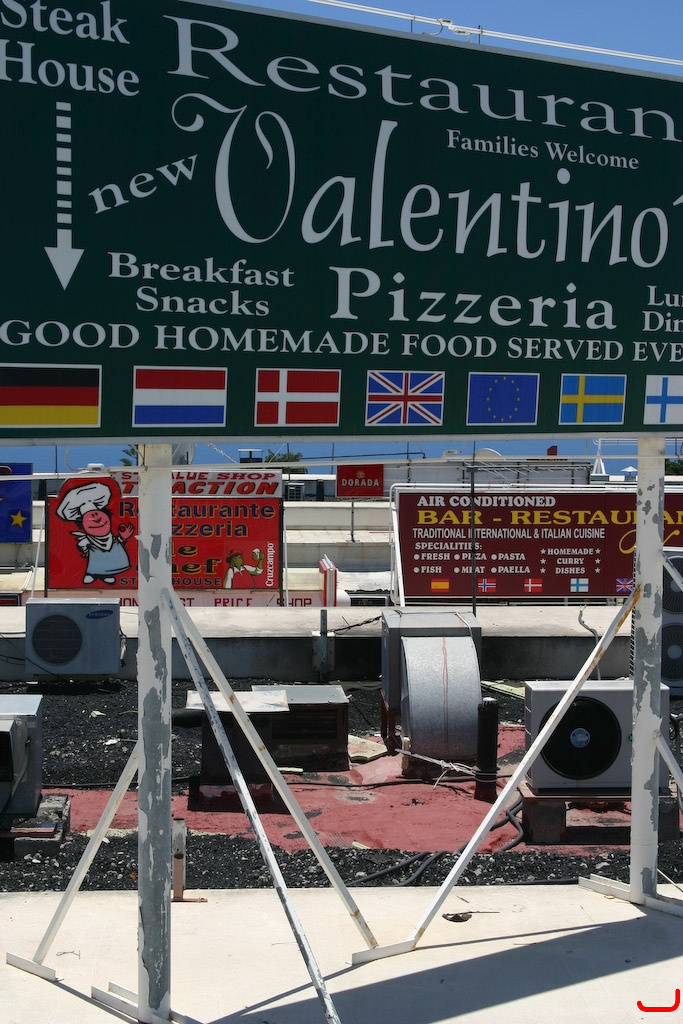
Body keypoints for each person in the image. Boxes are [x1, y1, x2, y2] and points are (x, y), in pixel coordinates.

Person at [56, 481, 134, 585]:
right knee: (94, 565)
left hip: (112, 560)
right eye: (90, 517)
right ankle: (91, 574)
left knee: (109, 566)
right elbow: (81, 545)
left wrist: (123, 537)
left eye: (97, 514)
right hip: (94, 561)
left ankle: (108, 574)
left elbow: (117, 542)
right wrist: (84, 548)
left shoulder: (110, 537)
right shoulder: (89, 539)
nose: (95, 518)